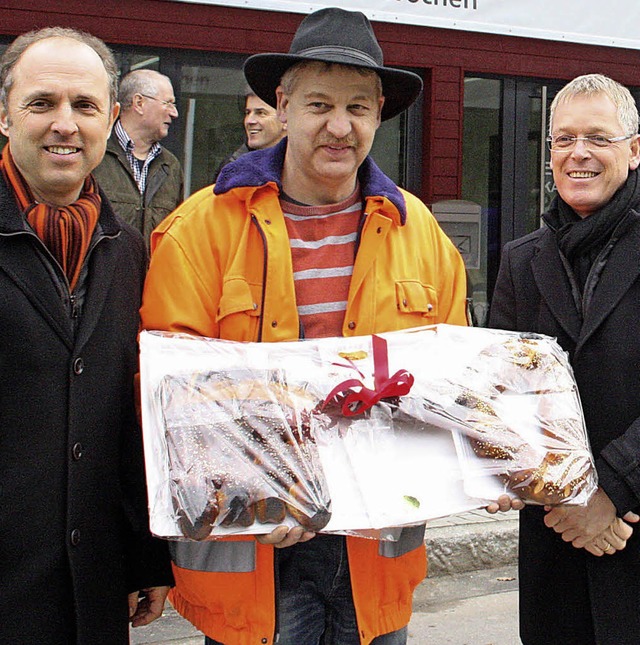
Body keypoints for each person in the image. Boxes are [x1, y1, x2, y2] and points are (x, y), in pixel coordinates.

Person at [140, 7, 475, 645]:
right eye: (319, 104)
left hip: (373, 553)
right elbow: (167, 402)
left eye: (358, 108)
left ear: (379, 114)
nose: (339, 127)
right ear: (282, 106)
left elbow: (448, 386)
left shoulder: (422, 235)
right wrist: (259, 488)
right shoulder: (199, 231)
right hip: (253, 556)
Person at [0, 27, 173, 643]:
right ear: (4, 116)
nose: (65, 124)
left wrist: (144, 553)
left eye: (85, 106)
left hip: (90, 590)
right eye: (41, 103)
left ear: (112, 119)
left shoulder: (125, 251)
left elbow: (122, 415)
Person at [489, 73, 640, 645]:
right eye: (563, 139)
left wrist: (612, 495)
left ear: (635, 149)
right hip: (556, 539)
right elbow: (499, 395)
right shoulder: (521, 262)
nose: (579, 153)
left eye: (598, 138)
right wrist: (511, 476)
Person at [93, 68, 183, 249]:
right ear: (139, 103)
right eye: (168, 103)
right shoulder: (96, 155)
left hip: (156, 276)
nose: (174, 113)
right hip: (106, 275)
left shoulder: (170, 165)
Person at [213, 88, 286, 179]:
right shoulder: (232, 169)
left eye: (261, 113)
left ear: (285, 119)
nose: (249, 121)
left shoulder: (302, 166)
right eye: (247, 113)